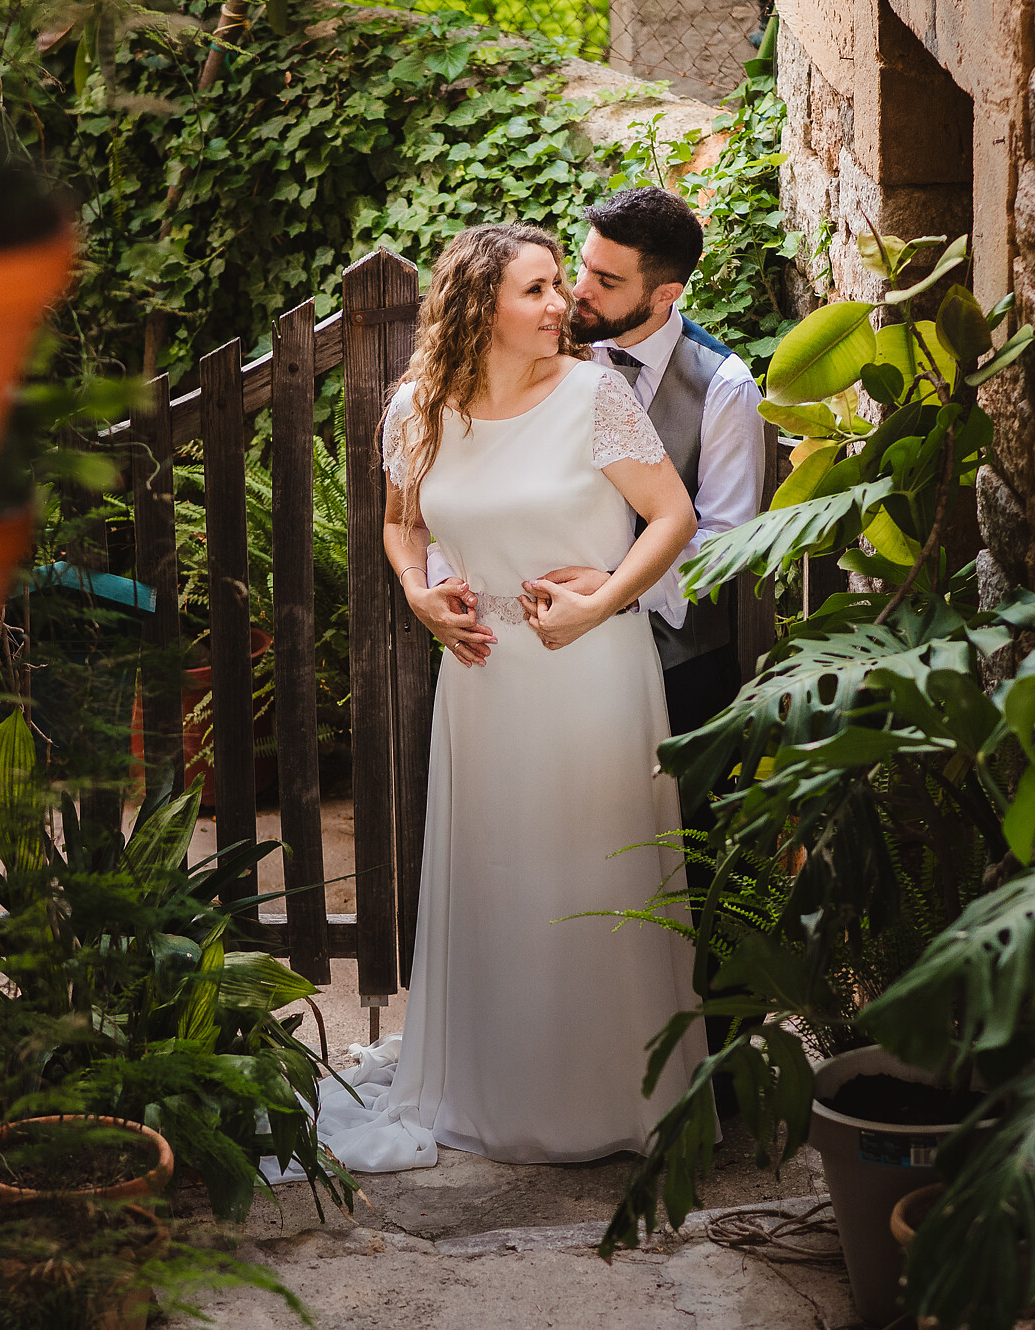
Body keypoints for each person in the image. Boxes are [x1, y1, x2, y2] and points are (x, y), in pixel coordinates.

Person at [304, 222, 708, 1173]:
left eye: (561, 284)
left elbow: (674, 516)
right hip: (482, 680)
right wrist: (418, 592)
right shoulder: (419, 409)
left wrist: (603, 599)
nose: (562, 302)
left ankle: (609, 1098)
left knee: (593, 874)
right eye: (537, 288)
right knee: (499, 878)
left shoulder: (596, 395)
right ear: (481, 305)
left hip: (593, 671)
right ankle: (496, 1089)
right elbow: (403, 524)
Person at [421, 186, 768, 1087]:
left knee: (656, 873)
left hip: (677, 662)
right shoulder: (552, 349)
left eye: (602, 280)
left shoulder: (722, 387)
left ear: (664, 294)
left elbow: (722, 543)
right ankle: (527, 1059)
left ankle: (692, 1079)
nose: (577, 292)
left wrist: (612, 594)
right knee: (527, 864)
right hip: (527, 661)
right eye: (577, 267)